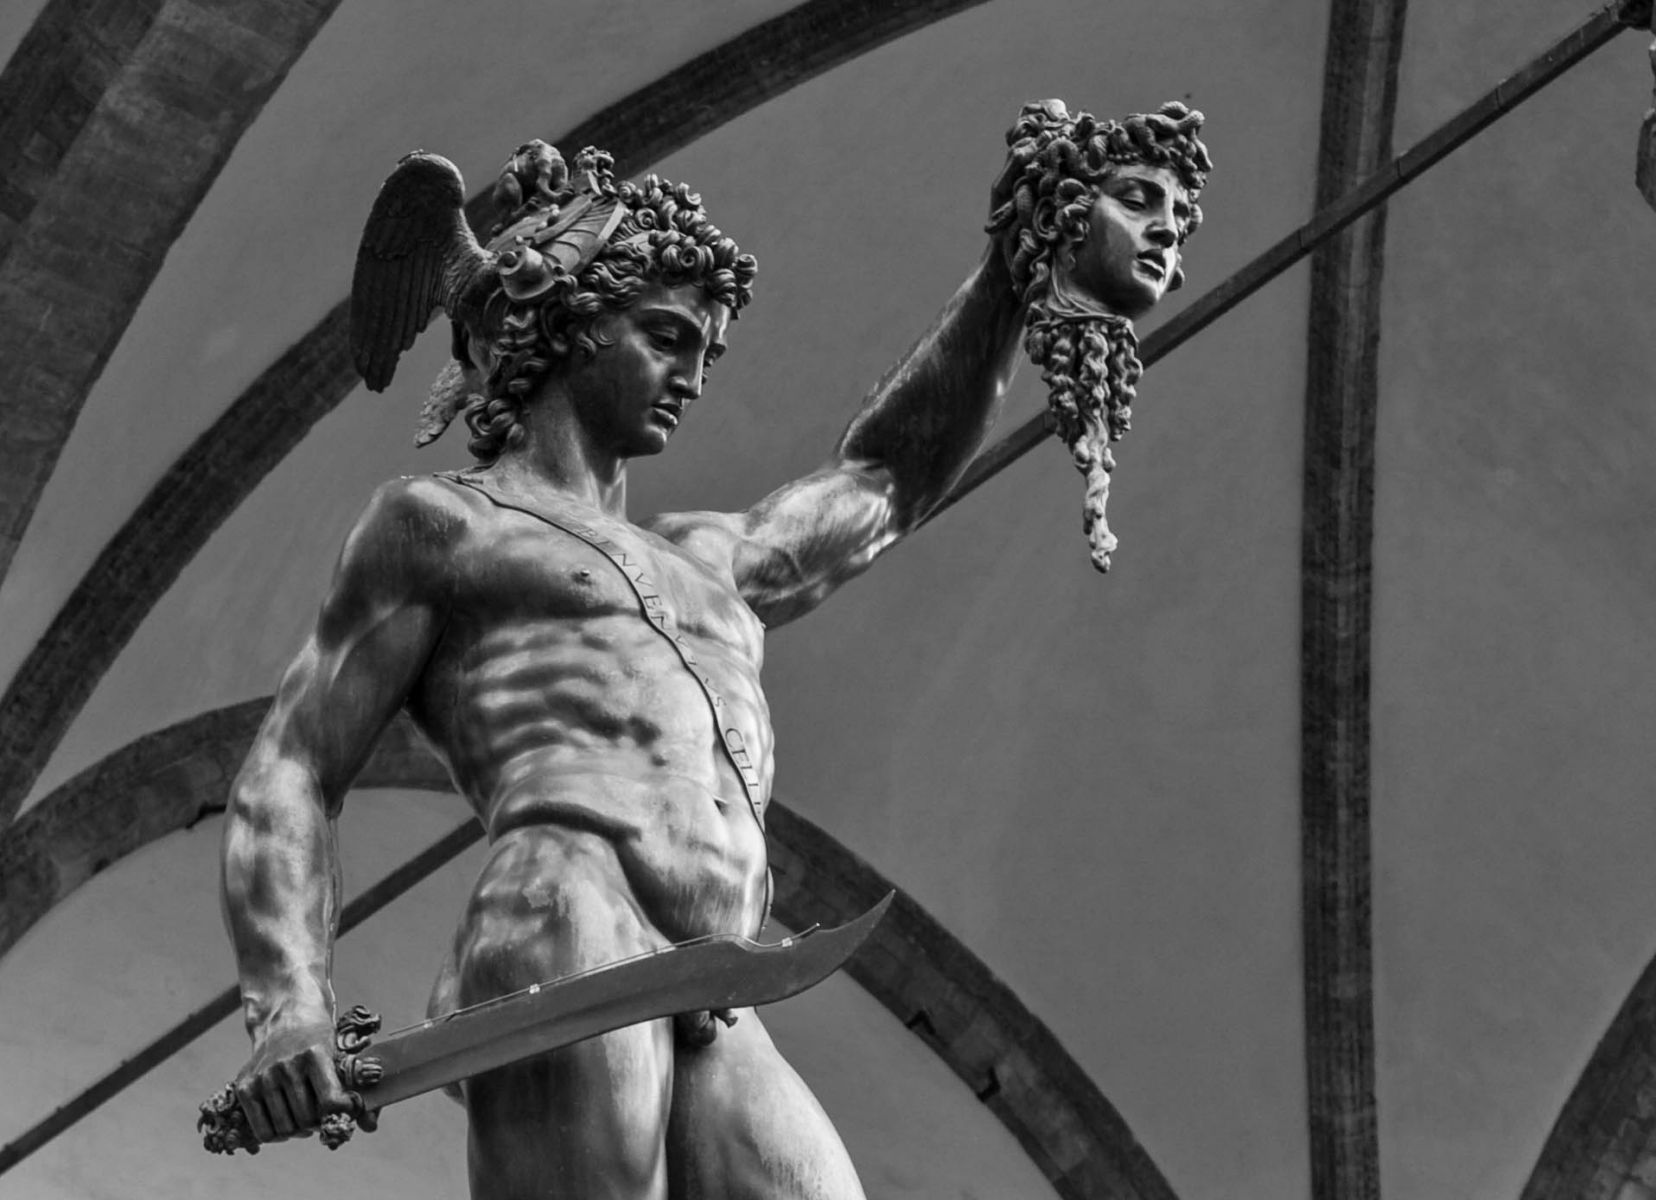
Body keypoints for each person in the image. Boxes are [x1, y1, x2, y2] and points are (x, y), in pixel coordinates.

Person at [220, 102, 1208, 1199]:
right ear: (565, 326)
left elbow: (884, 481)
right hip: (568, 910)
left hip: (720, 984)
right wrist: (289, 1007)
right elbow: (293, 767)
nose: (695, 372)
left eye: (709, 347)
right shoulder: (444, 526)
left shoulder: (709, 559)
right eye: (667, 337)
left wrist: (1009, 282)